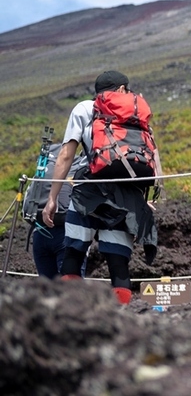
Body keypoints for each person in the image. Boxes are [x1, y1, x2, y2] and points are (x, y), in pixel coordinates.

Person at [41, 70, 161, 305]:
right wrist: (142, 196)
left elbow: (66, 155)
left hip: (88, 191)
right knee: (118, 265)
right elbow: (150, 155)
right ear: (123, 89)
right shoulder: (136, 109)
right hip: (126, 198)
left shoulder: (85, 108)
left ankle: (72, 313)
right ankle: (122, 322)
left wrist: (52, 198)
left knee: (73, 255)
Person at [27, 144, 88, 278]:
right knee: (73, 291)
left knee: (48, 292)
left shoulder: (48, 163)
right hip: (67, 234)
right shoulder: (82, 166)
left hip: (39, 231)